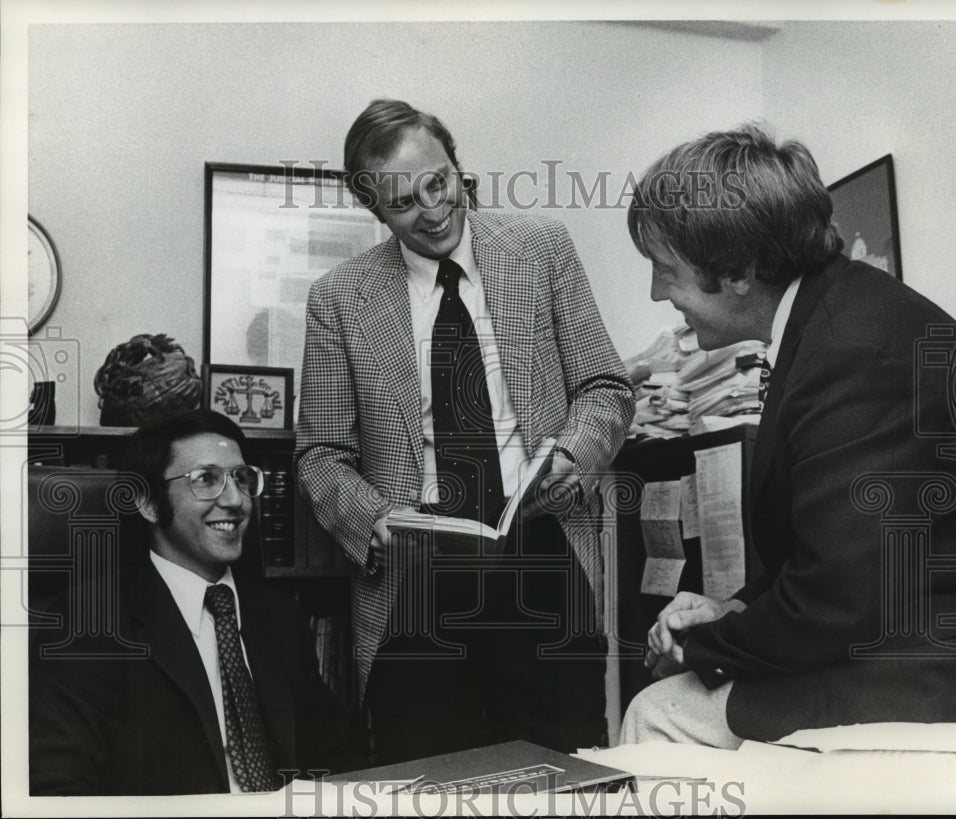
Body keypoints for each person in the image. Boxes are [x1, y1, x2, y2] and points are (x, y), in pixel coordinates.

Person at [619, 124, 956, 748]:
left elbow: (839, 600)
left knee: (656, 712)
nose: (658, 292)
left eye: (665, 270)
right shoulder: (839, 317)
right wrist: (731, 612)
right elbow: (842, 557)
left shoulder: (854, 350)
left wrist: (701, 644)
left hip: (921, 675)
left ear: (736, 271)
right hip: (893, 641)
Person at [295, 99, 635, 763]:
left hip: (542, 555)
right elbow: (321, 456)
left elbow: (605, 386)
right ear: (374, 211)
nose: (431, 209)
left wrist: (571, 453)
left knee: (562, 774)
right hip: (416, 576)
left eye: (439, 182)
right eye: (402, 202)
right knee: (426, 778)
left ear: (456, 166)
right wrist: (373, 519)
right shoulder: (339, 298)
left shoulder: (541, 247)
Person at [29, 410, 358, 795]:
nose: (236, 500)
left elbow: (341, 755)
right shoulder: (91, 622)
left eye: (241, 478)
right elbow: (59, 788)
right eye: (207, 479)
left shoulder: (281, 616)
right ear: (148, 502)